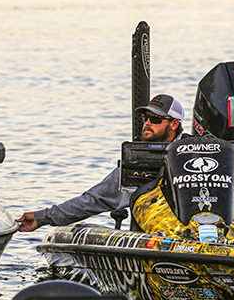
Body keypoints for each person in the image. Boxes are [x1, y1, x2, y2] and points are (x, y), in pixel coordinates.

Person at [16, 94, 185, 232]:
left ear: (174, 124)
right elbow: (94, 200)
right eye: (146, 118)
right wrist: (42, 217)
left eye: (155, 119)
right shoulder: (138, 160)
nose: (147, 123)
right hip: (154, 240)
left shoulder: (194, 153)